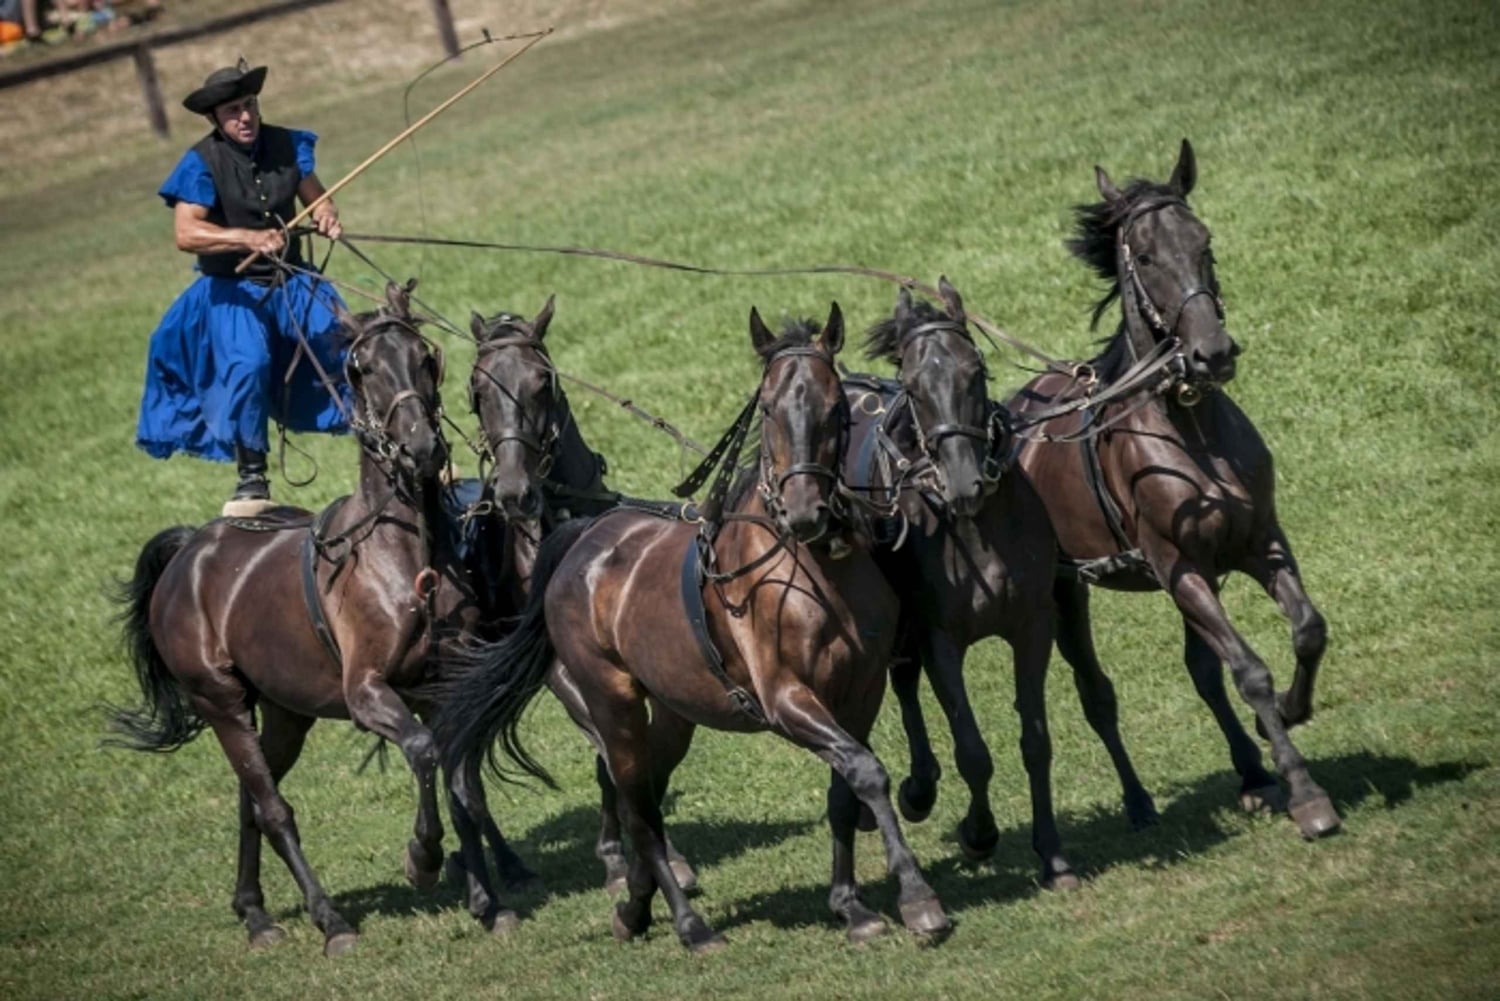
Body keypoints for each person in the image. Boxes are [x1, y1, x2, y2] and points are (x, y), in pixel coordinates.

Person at [136, 59, 350, 516]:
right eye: (233, 111)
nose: (245, 117)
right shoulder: (201, 162)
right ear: (215, 118)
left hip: (293, 280)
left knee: (349, 347)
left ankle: (396, 443)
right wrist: (245, 238)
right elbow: (186, 234)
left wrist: (326, 214)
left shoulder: (286, 144)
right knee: (247, 363)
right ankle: (252, 478)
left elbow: (318, 198)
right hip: (232, 291)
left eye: (249, 105)